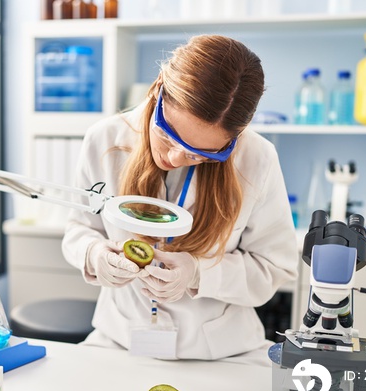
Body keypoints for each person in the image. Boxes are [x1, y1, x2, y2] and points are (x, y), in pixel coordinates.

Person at [61, 34, 298, 360]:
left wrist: (200, 272)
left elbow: (275, 267)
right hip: (119, 337)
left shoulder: (257, 159)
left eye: (201, 154)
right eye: (168, 134)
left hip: (224, 351)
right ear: (158, 89)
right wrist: (94, 254)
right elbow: (77, 229)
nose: (174, 158)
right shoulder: (103, 139)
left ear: (234, 139)